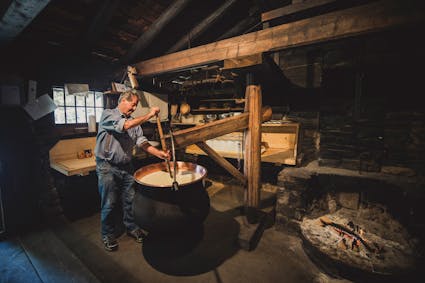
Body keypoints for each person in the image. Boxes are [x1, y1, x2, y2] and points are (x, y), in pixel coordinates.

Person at [95, 90, 169, 251]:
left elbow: (142, 142)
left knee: (130, 199)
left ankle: (131, 227)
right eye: (133, 104)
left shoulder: (134, 123)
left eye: (136, 105)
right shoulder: (108, 114)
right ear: (122, 101)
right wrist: (149, 115)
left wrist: (160, 154)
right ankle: (107, 234)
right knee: (109, 202)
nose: (134, 108)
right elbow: (124, 126)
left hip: (126, 166)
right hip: (107, 166)